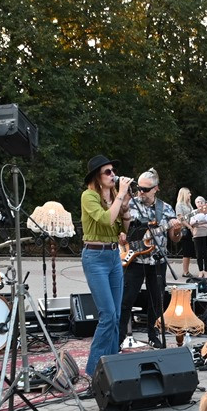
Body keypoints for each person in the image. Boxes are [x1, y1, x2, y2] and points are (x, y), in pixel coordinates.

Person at [79, 155, 132, 387]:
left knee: (117, 316)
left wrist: (126, 209)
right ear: (96, 178)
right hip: (95, 257)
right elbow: (105, 219)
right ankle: (94, 372)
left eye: (113, 171)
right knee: (108, 315)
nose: (113, 175)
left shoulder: (113, 197)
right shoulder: (88, 196)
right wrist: (120, 195)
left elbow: (122, 227)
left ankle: (110, 367)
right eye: (107, 172)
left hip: (113, 256)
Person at [118, 169, 178, 348]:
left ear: (155, 189)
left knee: (157, 300)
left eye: (145, 189)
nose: (140, 192)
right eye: (139, 188)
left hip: (157, 260)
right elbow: (121, 228)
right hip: (134, 260)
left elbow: (175, 238)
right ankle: (119, 337)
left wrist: (177, 228)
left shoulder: (166, 208)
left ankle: (153, 334)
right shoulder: (130, 204)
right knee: (126, 299)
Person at [189, 196, 207, 279]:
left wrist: (198, 222)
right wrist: (198, 222)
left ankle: (206, 271)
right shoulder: (193, 212)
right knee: (199, 254)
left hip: (206, 235)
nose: (199, 203)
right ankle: (200, 271)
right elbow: (191, 222)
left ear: (204, 203)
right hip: (197, 235)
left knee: (206, 253)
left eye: (201, 202)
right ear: (195, 204)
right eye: (198, 202)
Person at [175, 188, 197, 277]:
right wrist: (189, 227)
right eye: (188, 193)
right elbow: (181, 218)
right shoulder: (179, 205)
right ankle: (185, 271)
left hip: (190, 228)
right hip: (185, 229)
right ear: (184, 194)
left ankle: (187, 270)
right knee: (186, 251)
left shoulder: (189, 205)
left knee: (189, 251)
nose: (190, 195)